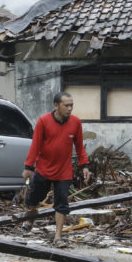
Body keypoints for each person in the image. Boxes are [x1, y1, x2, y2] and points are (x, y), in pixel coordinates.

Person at [22, 91, 91, 247]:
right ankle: (30, 217)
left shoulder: (75, 123)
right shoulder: (44, 121)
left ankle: (57, 237)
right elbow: (35, 145)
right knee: (34, 198)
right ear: (56, 105)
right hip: (44, 168)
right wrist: (28, 167)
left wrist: (85, 166)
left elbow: (80, 147)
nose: (70, 108)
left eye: (71, 105)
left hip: (64, 171)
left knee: (62, 203)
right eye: (66, 105)